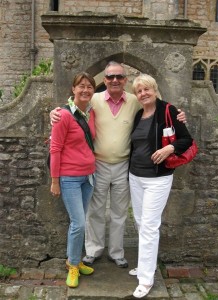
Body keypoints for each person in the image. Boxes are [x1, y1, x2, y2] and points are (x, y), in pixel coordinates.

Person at [50, 61, 186, 269]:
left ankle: (116, 252)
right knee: (95, 211)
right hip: (97, 164)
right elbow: (73, 106)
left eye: (119, 77)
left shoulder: (134, 100)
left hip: (124, 164)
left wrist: (178, 114)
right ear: (104, 80)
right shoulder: (93, 98)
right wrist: (55, 113)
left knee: (119, 211)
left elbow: (156, 105)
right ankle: (94, 250)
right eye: (110, 77)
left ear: (125, 80)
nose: (115, 80)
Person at [128, 74, 193, 298]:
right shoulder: (138, 115)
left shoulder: (169, 111)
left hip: (158, 178)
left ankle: (145, 280)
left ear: (154, 90)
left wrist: (169, 149)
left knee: (149, 226)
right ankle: (145, 266)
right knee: (139, 222)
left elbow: (187, 140)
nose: (143, 93)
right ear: (136, 95)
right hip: (135, 176)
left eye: (147, 89)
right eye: (139, 91)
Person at [50, 72, 96, 288]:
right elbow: (55, 148)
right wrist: (55, 181)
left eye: (89, 87)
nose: (85, 90)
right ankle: (73, 265)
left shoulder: (90, 114)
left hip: (88, 176)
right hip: (69, 178)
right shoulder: (63, 115)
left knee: (82, 221)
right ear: (73, 89)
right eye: (81, 86)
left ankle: (75, 259)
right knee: (77, 223)